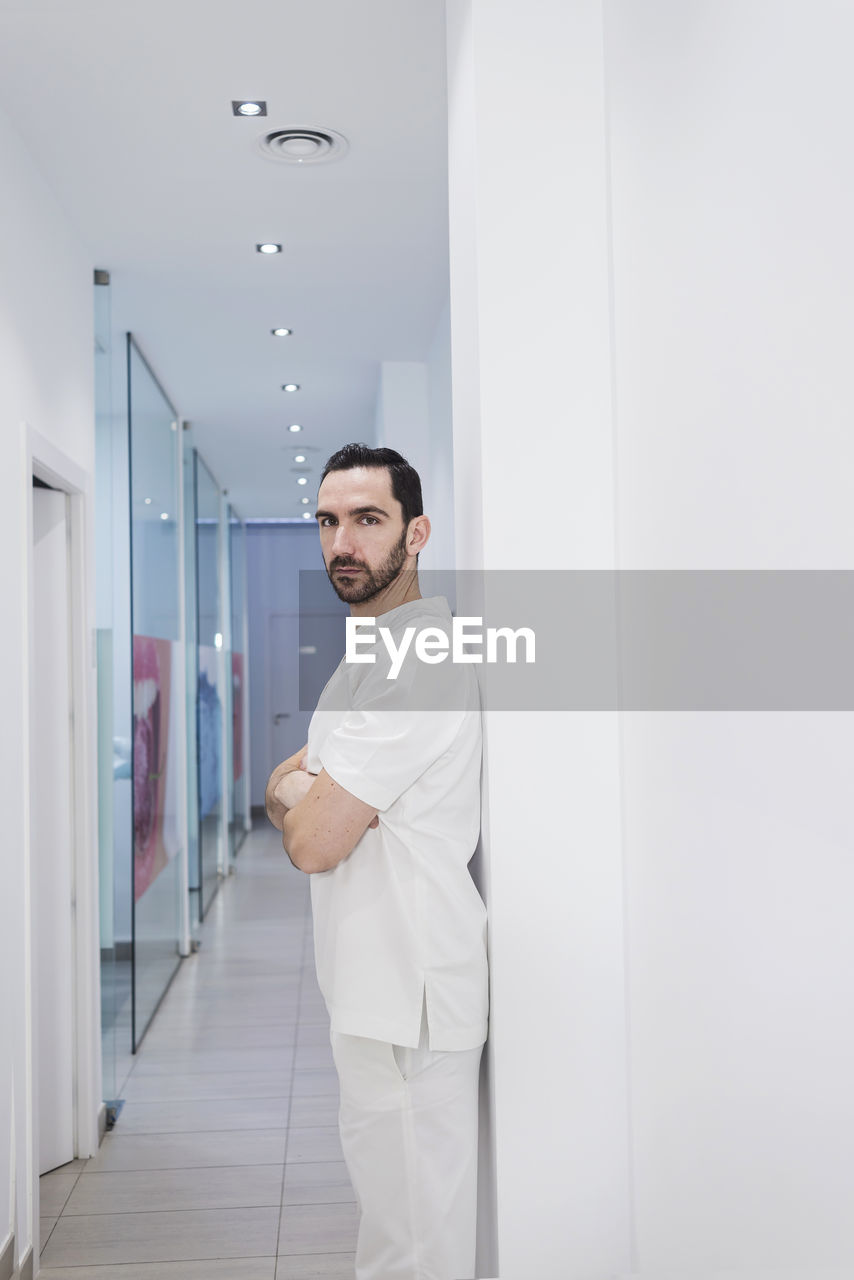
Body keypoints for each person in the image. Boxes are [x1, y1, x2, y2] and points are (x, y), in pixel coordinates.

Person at [265, 443, 488, 1280]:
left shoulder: (419, 660)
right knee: (395, 1235)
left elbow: (313, 838)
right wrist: (309, 794)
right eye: (327, 522)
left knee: (412, 1253)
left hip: (409, 1005)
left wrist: (310, 794)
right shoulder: (370, 659)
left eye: (367, 519)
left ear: (417, 532)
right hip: (374, 994)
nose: (342, 544)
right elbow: (282, 792)